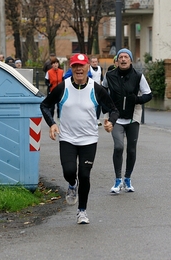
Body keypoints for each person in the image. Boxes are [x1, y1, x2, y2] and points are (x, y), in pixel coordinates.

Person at [40, 53, 119, 224]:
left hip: (89, 140)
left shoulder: (96, 89)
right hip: (67, 138)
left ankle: (82, 211)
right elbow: (45, 105)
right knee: (69, 172)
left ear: (88, 67)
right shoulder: (63, 87)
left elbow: (113, 109)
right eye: (75, 66)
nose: (78, 69)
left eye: (81, 66)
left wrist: (110, 122)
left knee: (85, 176)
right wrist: (52, 123)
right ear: (71, 68)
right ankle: (71, 184)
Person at [103, 48, 152, 194]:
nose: (123, 59)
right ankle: (118, 180)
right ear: (117, 60)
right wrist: (106, 107)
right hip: (115, 117)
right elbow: (102, 91)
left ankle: (128, 178)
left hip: (133, 117)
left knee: (131, 149)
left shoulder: (138, 76)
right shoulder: (110, 75)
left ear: (130, 60)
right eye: (121, 57)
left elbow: (148, 94)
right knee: (118, 147)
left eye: (126, 57)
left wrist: (136, 99)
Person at [89, 56, 104, 126]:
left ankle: (97, 118)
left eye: (96, 62)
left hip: (98, 88)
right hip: (91, 88)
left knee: (99, 104)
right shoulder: (89, 69)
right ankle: (91, 118)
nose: (95, 63)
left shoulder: (100, 68)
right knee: (92, 104)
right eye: (93, 62)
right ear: (90, 63)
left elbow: (101, 77)